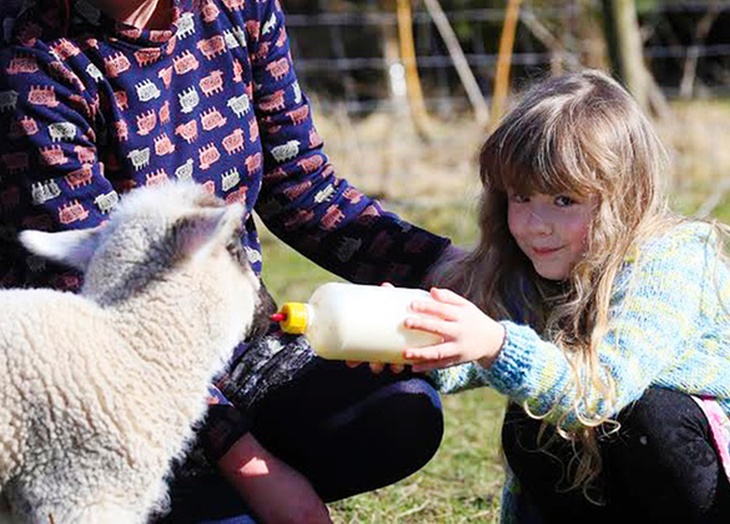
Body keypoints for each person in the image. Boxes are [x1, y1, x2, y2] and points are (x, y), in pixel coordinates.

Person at [0, 0, 453, 522]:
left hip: (229, 329)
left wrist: (447, 266)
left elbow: (301, 184)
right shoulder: (28, 52)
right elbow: (77, 275)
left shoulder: (240, 8)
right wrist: (259, 473)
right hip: (96, 375)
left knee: (398, 411)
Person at [397, 71, 730, 522]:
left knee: (648, 416)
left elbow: (597, 391)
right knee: (531, 416)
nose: (535, 224)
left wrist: (495, 345)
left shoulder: (671, 264)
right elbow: (486, 347)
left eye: (564, 200)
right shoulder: (545, 263)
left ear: (626, 197)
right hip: (656, 475)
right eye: (520, 197)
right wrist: (417, 346)